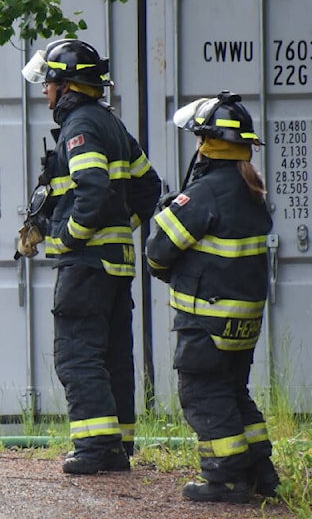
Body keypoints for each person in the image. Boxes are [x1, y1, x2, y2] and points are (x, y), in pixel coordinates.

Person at [19, 39, 161, 474]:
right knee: (113, 353)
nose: (44, 92)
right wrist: (120, 228)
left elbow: (93, 190)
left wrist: (70, 237)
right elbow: (148, 186)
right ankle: (117, 447)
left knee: (77, 353)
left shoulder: (80, 126)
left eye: (49, 83)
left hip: (87, 264)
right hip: (115, 264)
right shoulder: (109, 123)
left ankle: (96, 448)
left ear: (66, 87)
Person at [146, 91, 279, 503]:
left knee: (203, 394)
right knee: (233, 392)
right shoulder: (251, 192)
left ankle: (224, 480)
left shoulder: (205, 193)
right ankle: (261, 473)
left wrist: (170, 211)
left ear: (206, 143)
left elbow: (157, 251)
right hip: (243, 324)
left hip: (206, 321)